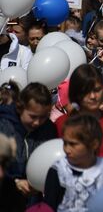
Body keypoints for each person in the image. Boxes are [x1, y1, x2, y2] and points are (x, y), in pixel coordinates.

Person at [0, 83, 57, 211]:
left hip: (33, 201)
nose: (37, 122)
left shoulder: (49, 130)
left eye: (43, 117)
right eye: (32, 116)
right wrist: (15, 182)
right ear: (20, 107)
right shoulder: (3, 126)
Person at [55, 64, 103, 164]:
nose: (93, 96)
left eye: (97, 90)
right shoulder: (61, 123)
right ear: (75, 92)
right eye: (86, 91)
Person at [44, 114, 103, 211]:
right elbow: (49, 207)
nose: (67, 149)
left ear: (94, 144)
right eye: (65, 143)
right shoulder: (57, 171)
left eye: (73, 144)